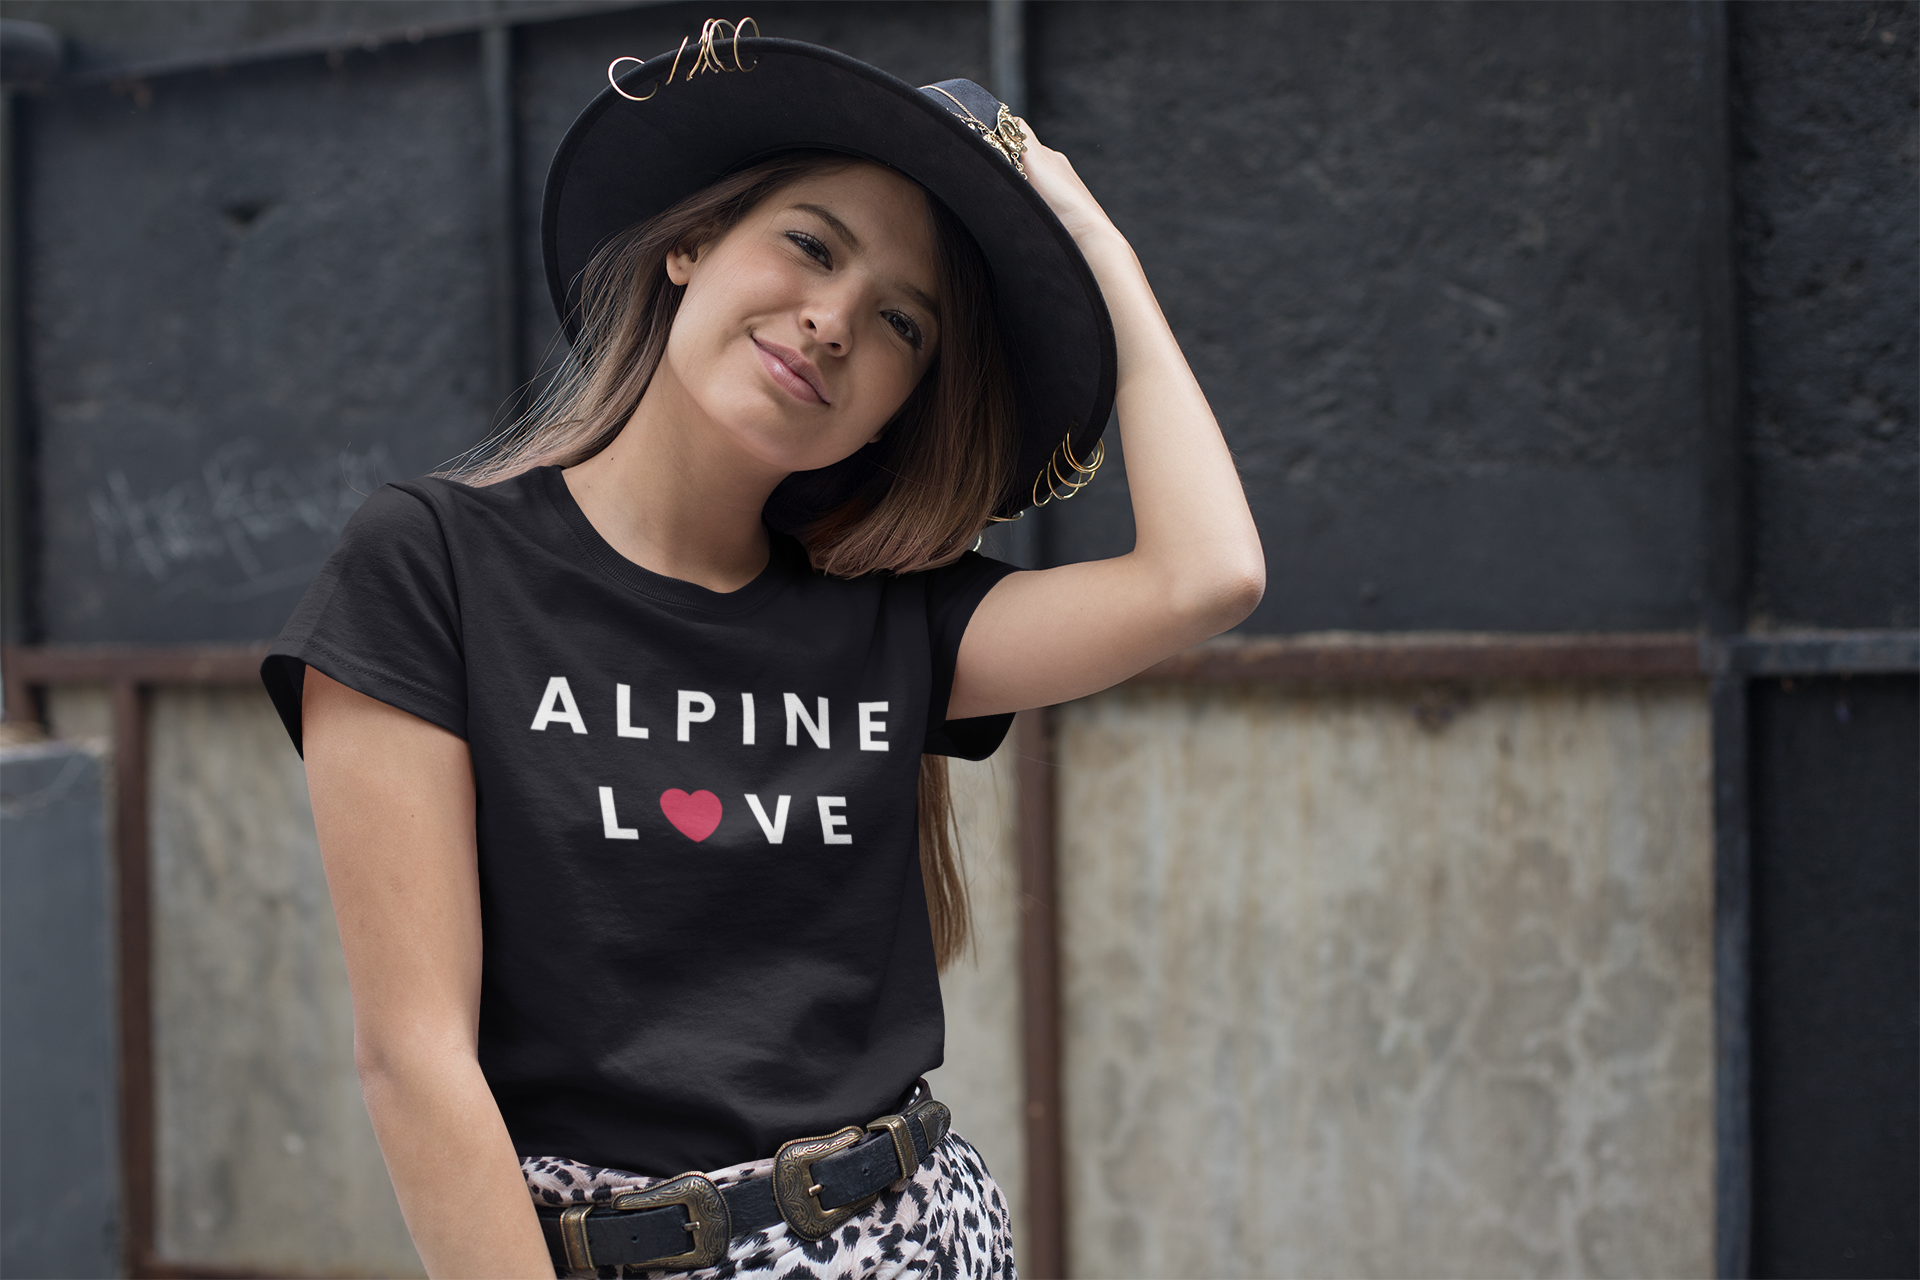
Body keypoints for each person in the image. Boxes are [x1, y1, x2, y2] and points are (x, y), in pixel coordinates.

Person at [261, 27, 1263, 1280]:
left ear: (904, 398)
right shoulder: (435, 565)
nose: (834, 321)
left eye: (902, 321)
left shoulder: (895, 615)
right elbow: (415, 1060)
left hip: (921, 1237)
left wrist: (1095, 244)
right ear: (690, 241)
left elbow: (1208, 574)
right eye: (810, 244)